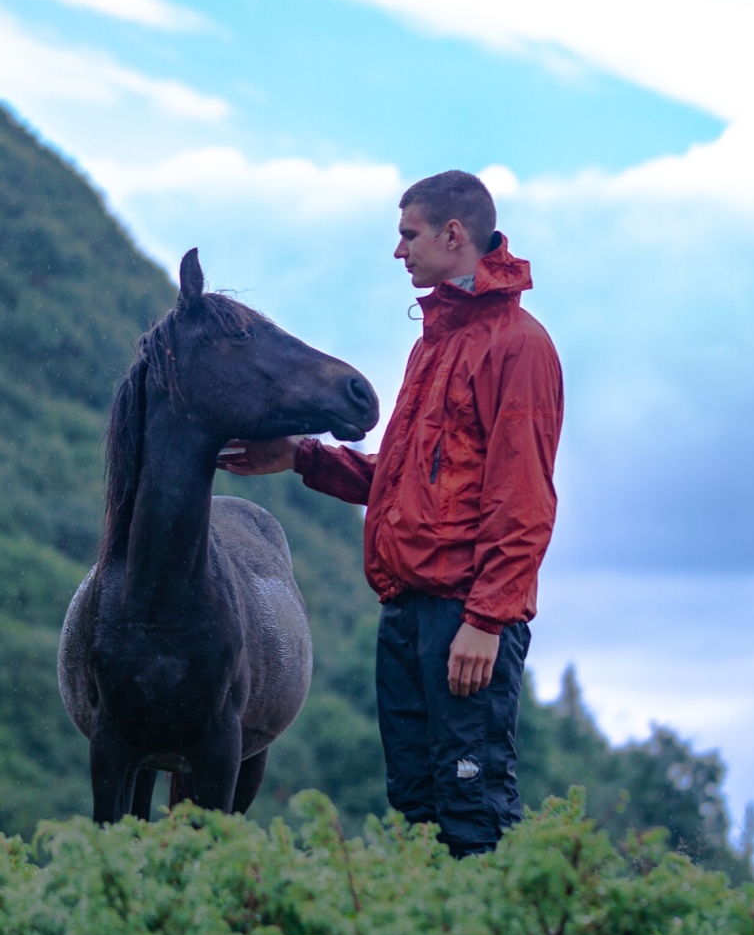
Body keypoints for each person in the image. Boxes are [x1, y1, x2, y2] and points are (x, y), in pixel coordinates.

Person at [218, 169, 563, 855]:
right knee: (415, 806)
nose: (398, 250)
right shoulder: (434, 343)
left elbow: (523, 501)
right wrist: (301, 457)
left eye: (408, 234)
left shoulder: (518, 346)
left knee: (473, 807)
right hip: (406, 614)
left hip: (464, 617)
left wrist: (486, 622)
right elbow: (408, 481)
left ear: (453, 234)